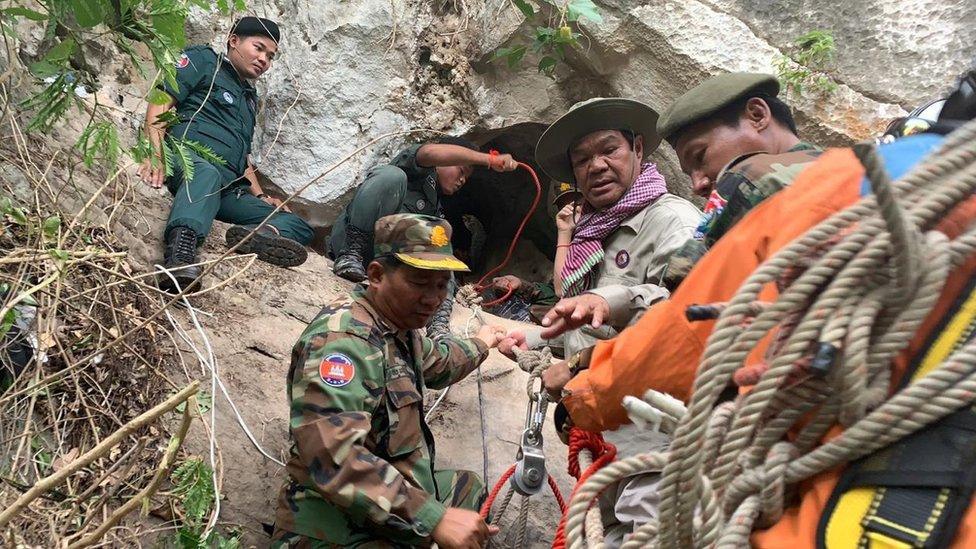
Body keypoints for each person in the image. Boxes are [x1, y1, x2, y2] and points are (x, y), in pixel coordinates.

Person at [540, 72, 976, 546]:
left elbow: (689, 328)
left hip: (846, 485)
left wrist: (584, 392)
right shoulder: (905, 180)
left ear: (757, 115)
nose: (702, 181)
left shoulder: (768, 186)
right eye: (582, 160)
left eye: (701, 158)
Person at [273, 213, 525, 548]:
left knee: (468, 490)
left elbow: (439, 362)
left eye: (441, 285)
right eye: (420, 283)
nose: (433, 299)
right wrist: (433, 517)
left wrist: (484, 341)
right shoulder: (344, 344)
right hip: (335, 525)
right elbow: (334, 458)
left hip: (382, 502)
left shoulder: (398, 328)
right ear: (377, 275)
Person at [138, 17, 313, 293]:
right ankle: (180, 258)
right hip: (191, 163)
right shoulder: (204, 61)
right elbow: (161, 102)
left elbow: (243, 158)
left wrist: (261, 196)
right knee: (207, 173)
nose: (264, 60)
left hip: (227, 190)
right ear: (234, 40)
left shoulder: (249, 98)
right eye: (258, 48)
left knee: (296, 224)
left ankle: (260, 237)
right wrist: (154, 153)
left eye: (270, 56)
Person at [531, 97, 700, 356]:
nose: (597, 166)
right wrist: (528, 339)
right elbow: (589, 331)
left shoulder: (674, 223)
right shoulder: (591, 232)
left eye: (609, 150)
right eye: (581, 160)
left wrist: (581, 364)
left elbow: (688, 320)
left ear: (638, 149)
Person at [328, 138, 517, 340]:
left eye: (466, 177)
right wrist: (489, 160)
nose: (462, 180)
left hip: (386, 267)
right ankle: (350, 254)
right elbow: (428, 153)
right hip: (360, 248)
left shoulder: (435, 207)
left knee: (441, 252)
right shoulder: (416, 171)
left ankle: (438, 326)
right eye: (461, 171)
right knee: (391, 176)